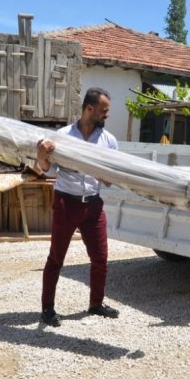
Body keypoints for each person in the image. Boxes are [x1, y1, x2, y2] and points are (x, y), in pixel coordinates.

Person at [36, 87, 120, 327]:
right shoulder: (62, 136)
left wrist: (101, 171)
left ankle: (96, 304)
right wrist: (42, 157)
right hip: (66, 203)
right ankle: (47, 309)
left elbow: (110, 179)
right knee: (56, 258)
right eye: (104, 111)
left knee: (101, 257)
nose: (106, 115)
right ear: (89, 109)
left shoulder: (108, 141)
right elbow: (49, 170)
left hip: (93, 204)